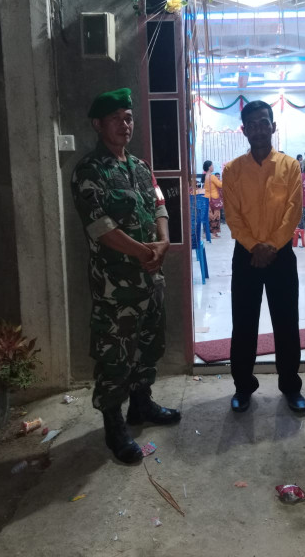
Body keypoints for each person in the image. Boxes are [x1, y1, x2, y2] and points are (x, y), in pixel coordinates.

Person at [71, 88, 181, 464]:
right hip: (115, 287)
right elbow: (99, 226)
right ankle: (114, 424)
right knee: (115, 355)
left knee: (149, 345)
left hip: (151, 279)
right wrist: (143, 252)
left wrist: (163, 243)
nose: (125, 124)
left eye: (129, 117)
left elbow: (161, 205)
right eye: (116, 118)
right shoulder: (90, 171)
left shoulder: (140, 167)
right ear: (98, 124)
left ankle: (141, 404)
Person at [222, 100, 305, 414]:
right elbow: (232, 216)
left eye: (264, 122)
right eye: (252, 125)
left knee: (287, 322)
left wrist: (271, 245)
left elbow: (293, 211)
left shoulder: (290, 166)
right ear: (244, 130)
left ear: (273, 126)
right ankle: (243, 387)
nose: (258, 129)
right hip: (245, 256)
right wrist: (254, 246)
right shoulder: (232, 170)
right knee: (244, 323)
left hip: (280, 255)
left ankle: (291, 386)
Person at [203, 160, 223, 238]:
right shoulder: (212, 176)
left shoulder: (206, 176)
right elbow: (220, 185)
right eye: (212, 165)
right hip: (214, 199)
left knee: (210, 216)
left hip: (207, 198)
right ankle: (213, 234)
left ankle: (207, 233)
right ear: (209, 167)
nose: (213, 167)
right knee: (215, 216)